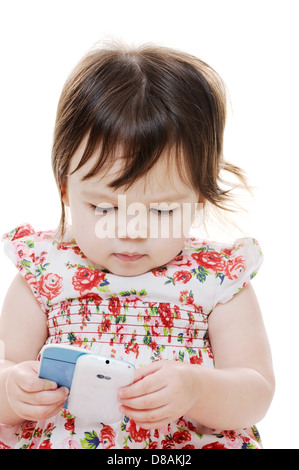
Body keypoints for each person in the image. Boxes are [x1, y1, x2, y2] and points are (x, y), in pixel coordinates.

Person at [0, 42, 274, 449]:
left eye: (162, 211)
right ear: (65, 192)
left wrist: (197, 388)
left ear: (197, 199)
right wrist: (11, 390)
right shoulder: (45, 273)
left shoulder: (217, 280)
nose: (130, 230)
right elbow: (6, 368)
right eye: (104, 207)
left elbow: (256, 392)